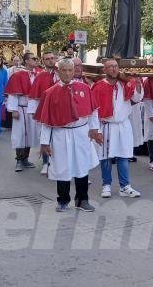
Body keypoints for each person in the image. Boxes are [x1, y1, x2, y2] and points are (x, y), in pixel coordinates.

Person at [37, 59, 100, 212]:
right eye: (63, 70)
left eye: (70, 70)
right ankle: (63, 199)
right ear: (58, 71)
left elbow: (93, 111)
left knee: (82, 166)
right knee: (62, 167)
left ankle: (82, 200)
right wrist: (45, 142)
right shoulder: (50, 93)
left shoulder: (85, 88)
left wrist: (94, 129)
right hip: (60, 134)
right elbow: (46, 120)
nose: (67, 73)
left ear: (74, 71)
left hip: (81, 133)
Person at [91, 58, 143, 198]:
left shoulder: (125, 84)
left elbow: (137, 98)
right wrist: (95, 130)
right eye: (110, 67)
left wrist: (137, 81)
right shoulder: (98, 86)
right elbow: (93, 110)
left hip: (123, 125)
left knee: (124, 156)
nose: (114, 69)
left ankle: (125, 186)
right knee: (106, 157)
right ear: (104, 70)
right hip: (106, 125)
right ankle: (106, 185)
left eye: (116, 66)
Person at [6, 53, 42, 172]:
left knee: (30, 134)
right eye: (34, 59)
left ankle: (26, 158)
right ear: (26, 61)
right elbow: (12, 93)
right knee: (20, 134)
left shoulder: (39, 74)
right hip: (21, 108)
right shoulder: (18, 75)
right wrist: (13, 110)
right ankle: (19, 160)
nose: (36, 60)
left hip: (33, 109)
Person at [30, 51, 60, 174]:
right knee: (45, 138)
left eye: (52, 58)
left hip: (59, 111)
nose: (50, 61)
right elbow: (34, 95)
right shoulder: (40, 76)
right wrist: (34, 112)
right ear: (43, 61)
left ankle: (58, 163)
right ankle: (45, 163)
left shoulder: (61, 74)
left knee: (59, 139)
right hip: (45, 111)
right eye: (47, 59)